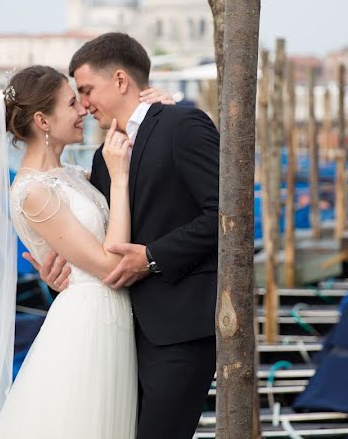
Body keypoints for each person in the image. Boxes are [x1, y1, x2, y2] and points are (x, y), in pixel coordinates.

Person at [0, 65, 176, 438]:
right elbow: (110, 264)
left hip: (110, 316)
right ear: (43, 120)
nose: (83, 111)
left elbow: (139, 171)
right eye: (72, 103)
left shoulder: (75, 175)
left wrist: (159, 109)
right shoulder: (33, 193)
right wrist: (120, 177)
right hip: (87, 321)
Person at [28, 32, 220, 439]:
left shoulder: (182, 123)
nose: (83, 104)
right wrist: (64, 269)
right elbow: (99, 237)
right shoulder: (102, 158)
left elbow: (228, 217)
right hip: (117, 338)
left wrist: (151, 257)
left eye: (86, 90)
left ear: (119, 81)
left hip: (178, 333)